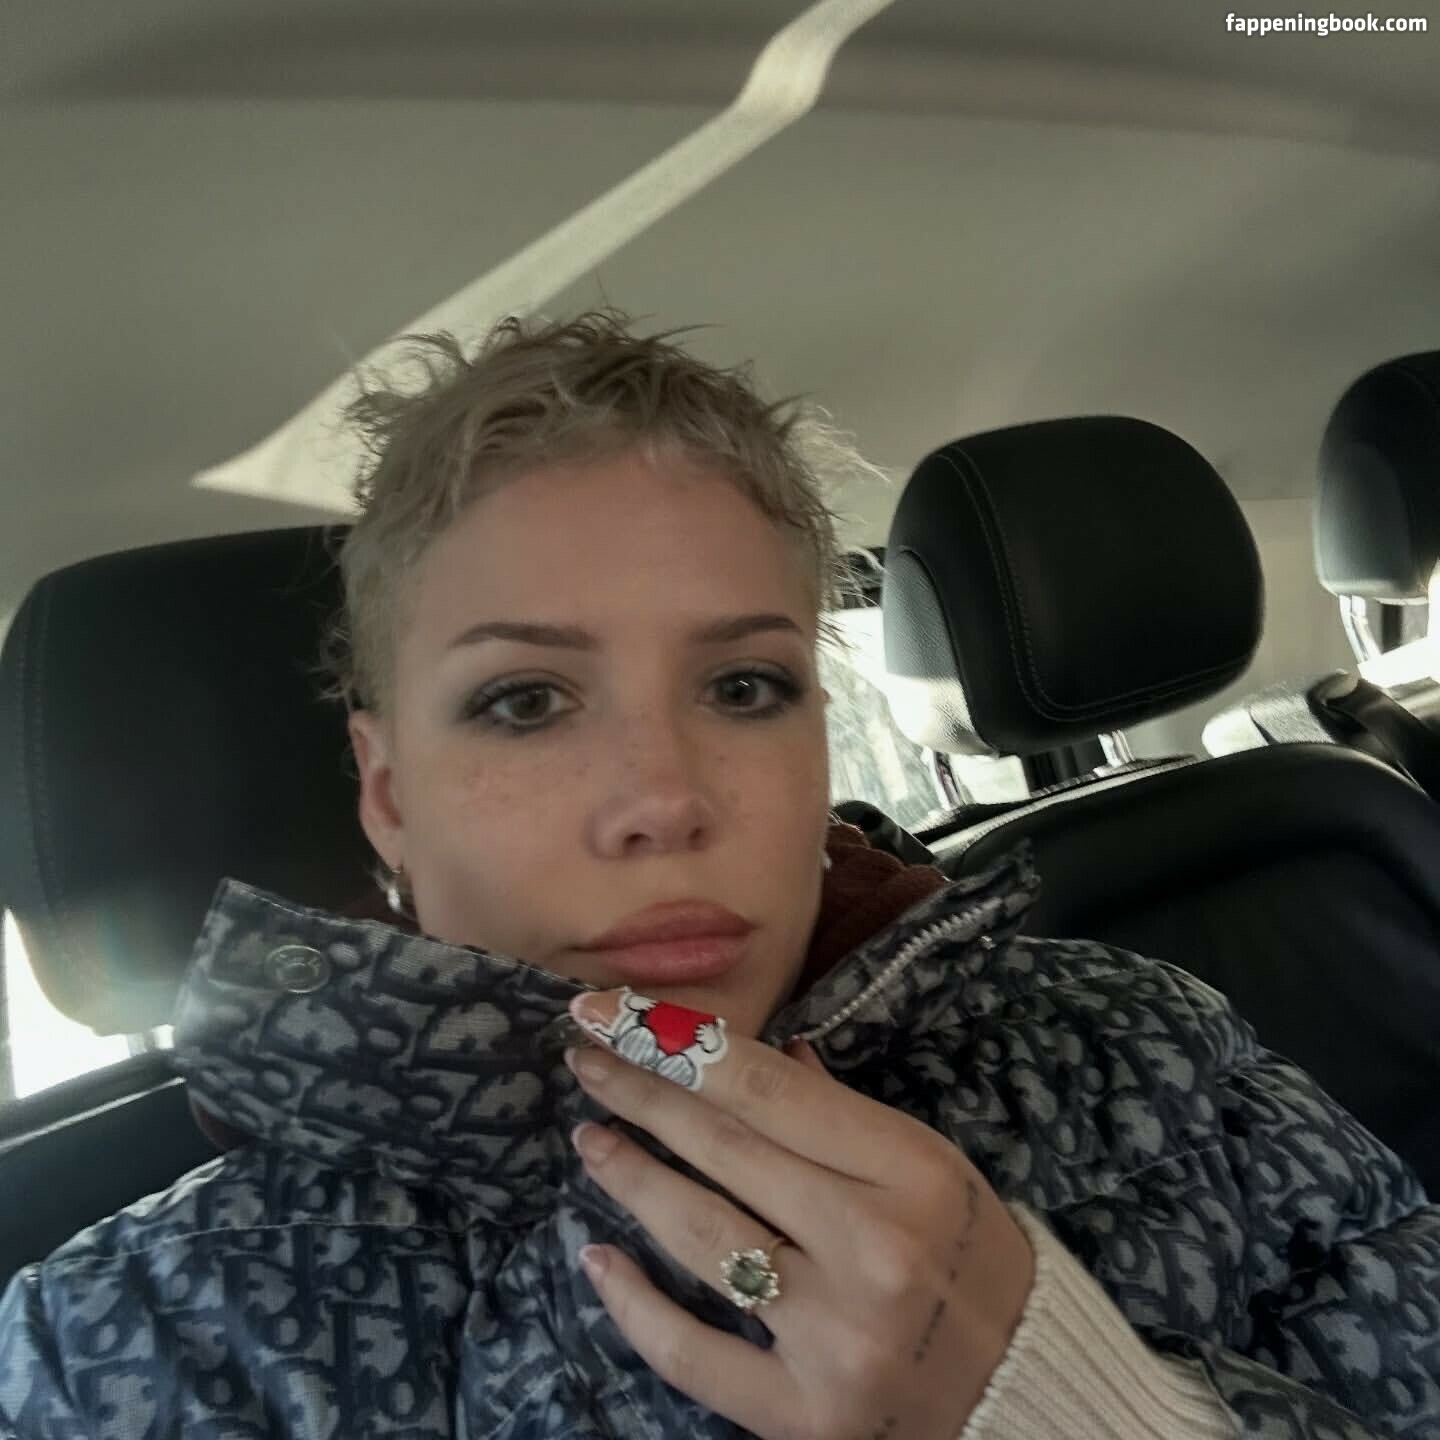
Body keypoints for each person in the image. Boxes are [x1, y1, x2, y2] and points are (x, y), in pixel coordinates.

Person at [1, 311, 1437, 1440]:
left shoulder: (1153, 1049)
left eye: (746, 686)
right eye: (525, 701)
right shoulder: (121, 1345)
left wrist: (1096, 1413)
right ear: (388, 795)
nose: (666, 802)